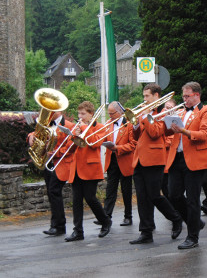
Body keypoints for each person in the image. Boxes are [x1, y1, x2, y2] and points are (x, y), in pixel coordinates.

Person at [129, 83, 183, 245]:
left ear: (156, 96)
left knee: (154, 195)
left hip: (155, 159)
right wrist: (136, 124)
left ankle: (176, 218)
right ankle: (146, 232)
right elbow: (138, 135)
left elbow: (155, 133)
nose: (144, 99)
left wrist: (145, 117)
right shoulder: (145, 112)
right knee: (142, 197)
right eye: (144, 96)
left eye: (147, 96)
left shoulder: (163, 112)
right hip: (140, 158)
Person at [165, 81, 207, 249]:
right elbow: (167, 132)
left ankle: (193, 237)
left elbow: (205, 134)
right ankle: (195, 222)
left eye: (187, 96)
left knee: (193, 199)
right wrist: (166, 121)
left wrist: (184, 131)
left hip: (195, 160)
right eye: (183, 96)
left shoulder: (206, 110)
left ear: (196, 95)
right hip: (177, 158)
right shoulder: (180, 111)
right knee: (174, 195)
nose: (184, 99)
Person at [65, 101, 111, 242]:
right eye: (79, 113)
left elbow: (95, 144)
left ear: (91, 114)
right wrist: (74, 137)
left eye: (83, 114)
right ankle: (77, 231)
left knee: (90, 198)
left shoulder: (101, 127)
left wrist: (86, 130)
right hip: (77, 168)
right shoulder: (77, 127)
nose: (80, 116)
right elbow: (69, 148)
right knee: (77, 200)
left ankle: (105, 221)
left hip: (91, 167)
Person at [28, 111, 75, 236]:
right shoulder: (47, 124)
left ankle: (59, 226)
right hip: (48, 163)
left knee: (54, 191)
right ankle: (55, 225)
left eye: (51, 110)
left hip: (62, 163)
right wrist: (31, 136)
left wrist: (55, 152)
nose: (48, 112)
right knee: (51, 192)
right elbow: (36, 133)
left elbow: (71, 147)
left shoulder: (69, 126)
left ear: (58, 111)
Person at [98, 101, 136, 227]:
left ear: (120, 112)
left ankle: (128, 216)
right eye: (108, 113)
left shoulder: (129, 124)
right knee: (110, 190)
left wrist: (118, 148)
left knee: (126, 190)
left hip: (124, 160)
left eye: (112, 113)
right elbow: (102, 139)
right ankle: (106, 216)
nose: (110, 116)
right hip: (112, 160)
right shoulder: (108, 123)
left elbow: (133, 144)